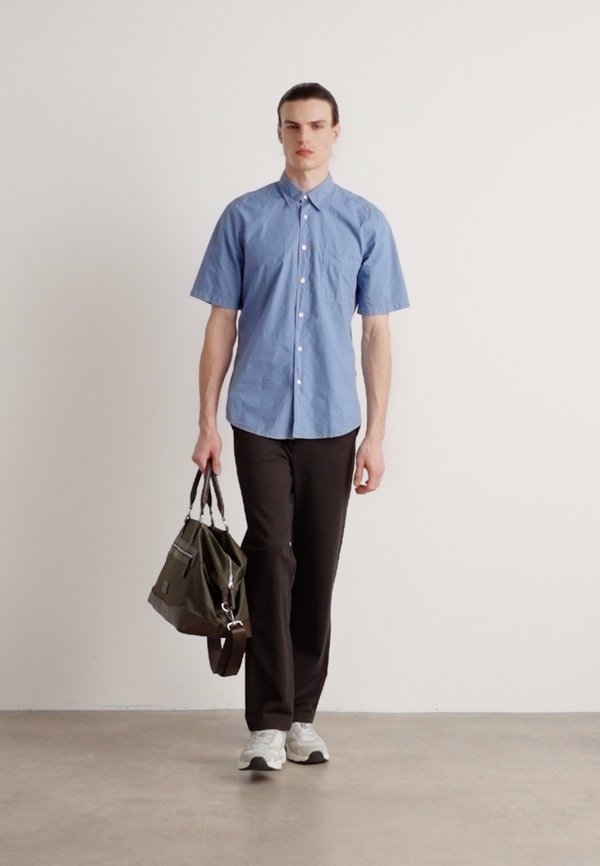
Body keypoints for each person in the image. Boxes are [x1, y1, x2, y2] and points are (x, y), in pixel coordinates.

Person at [189, 82, 409, 771]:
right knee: (268, 557)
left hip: (333, 422)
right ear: (279, 133)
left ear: (336, 132)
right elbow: (221, 323)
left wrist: (376, 434)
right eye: (292, 126)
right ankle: (267, 721)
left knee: (316, 565)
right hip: (256, 417)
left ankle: (303, 717)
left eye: (316, 125)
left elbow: (377, 334)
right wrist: (206, 422)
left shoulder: (365, 222)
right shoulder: (244, 217)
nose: (304, 137)